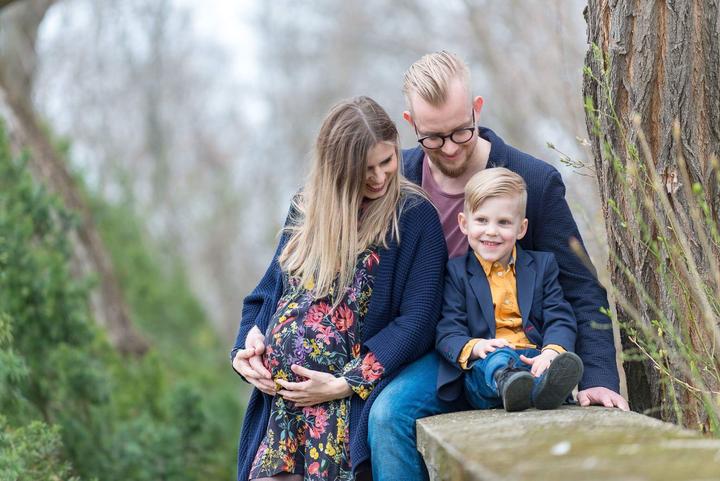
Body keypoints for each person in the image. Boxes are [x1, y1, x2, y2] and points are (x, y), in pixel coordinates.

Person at [367, 51, 629, 481]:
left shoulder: (533, 181)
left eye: (461, 131)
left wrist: (599, 377)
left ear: (477, 108)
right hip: (437, 354)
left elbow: (581, 289)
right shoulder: (396, 182)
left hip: (524, 350)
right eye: (433, 137)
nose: (450, 147)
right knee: (387, 414)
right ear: (411, 123)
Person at [230, 96, 447, 481]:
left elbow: (417, 322)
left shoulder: (414, 216)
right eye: (364, 170)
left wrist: (345, 384)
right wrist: (247, 347)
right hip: (281, 408)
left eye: (386, 161)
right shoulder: (306, 208)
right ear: (337, 169)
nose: (379, 177)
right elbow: (268, 292)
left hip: (340, 406)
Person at [435, 167, 583, 413]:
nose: (491, 231)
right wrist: (476, 347)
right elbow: (448, 330)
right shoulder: (457, 272)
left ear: (521, 229)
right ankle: (509, 383)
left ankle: (542, 388)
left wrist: (551, 351)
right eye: (482, 220)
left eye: (503, 222)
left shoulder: (542, 266)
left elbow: (559, 316)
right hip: (487, 366)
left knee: (546, 366)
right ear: (464, 223)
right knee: (498, 359)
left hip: (532, 358)